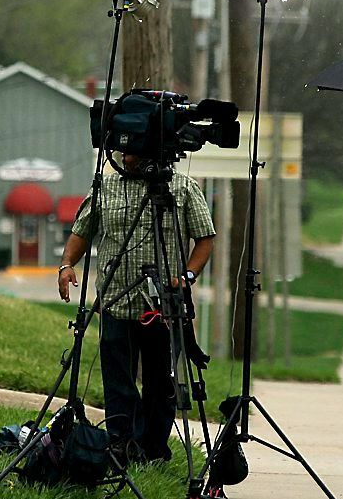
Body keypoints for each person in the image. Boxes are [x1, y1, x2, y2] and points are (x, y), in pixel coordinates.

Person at [58, 153, 216, 464]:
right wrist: (66, 265)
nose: (127, 157)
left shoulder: (181, 187)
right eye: (123, 150)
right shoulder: (105, 186)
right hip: (115, 301)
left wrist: (187, 275)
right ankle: (122, 445)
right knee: (118, 380)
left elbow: (205, 237)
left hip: (164, 307)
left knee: (159, 382)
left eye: (134, 150)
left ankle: (154, 450)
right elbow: (81, 232)